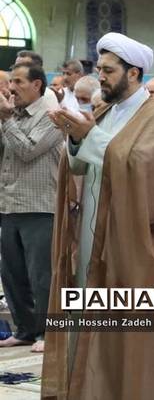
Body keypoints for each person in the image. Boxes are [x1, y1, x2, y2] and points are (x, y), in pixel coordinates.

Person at [43, 32, 154, 400]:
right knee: (90, 321)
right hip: (93, 239)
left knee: (125, 329)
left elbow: (144, 168)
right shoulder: (105, 112)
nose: (101, 76)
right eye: (99, 69)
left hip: (132, 246)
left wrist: (89, 137)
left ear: (133, 73)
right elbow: (79, 166)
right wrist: (75, 138)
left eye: (109, 70)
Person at [0, 62, 64, 353]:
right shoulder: (12, 115)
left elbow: (27, 150)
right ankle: (25, 330)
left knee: (41, 275)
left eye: (18, 82)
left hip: (39, 207)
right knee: (12, 273)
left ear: (37, 85)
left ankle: (49, 333)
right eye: (10, 82)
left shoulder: (51, 116)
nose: (12, 88)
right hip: (9, 204)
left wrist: (6, 120)